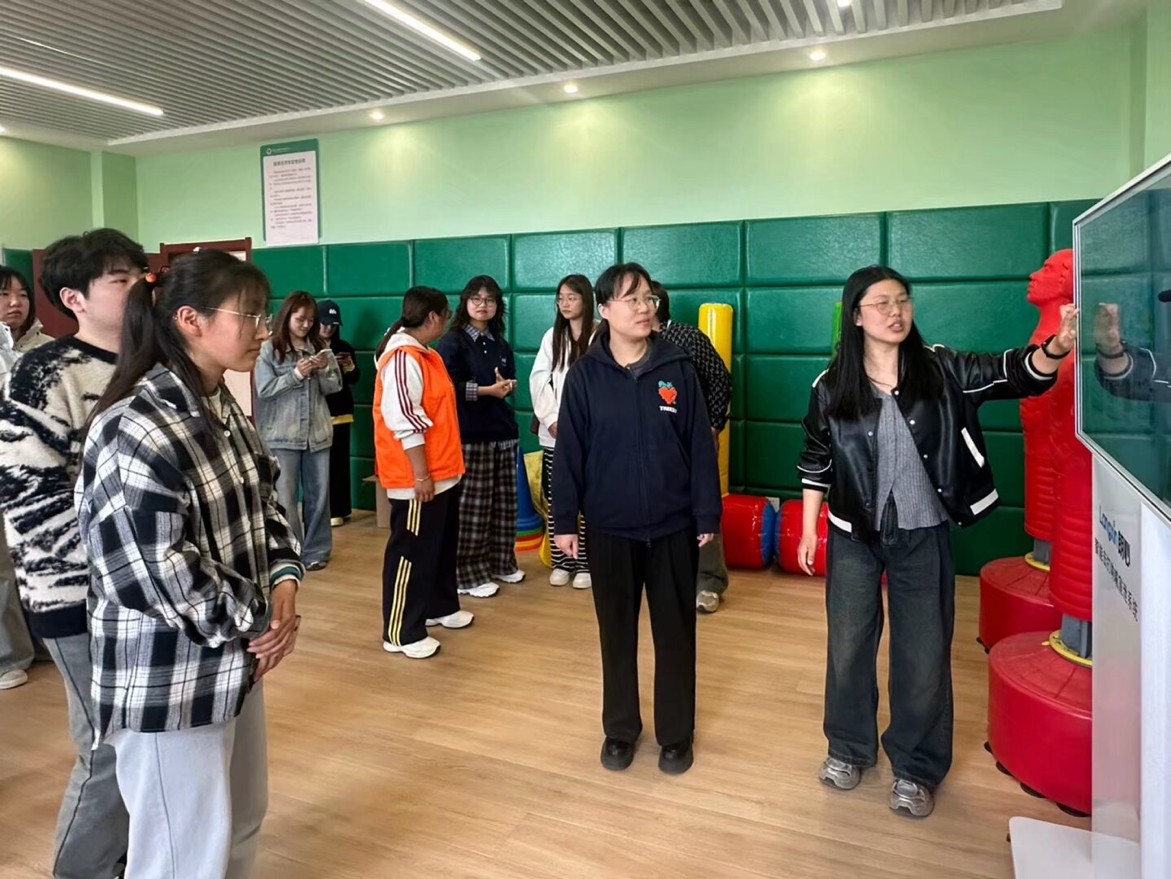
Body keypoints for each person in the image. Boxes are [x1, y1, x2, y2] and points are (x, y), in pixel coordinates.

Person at [797, 264, 1076, 818]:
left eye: (903, 300)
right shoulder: (830, 386)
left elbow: (1013, 373)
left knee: (923, 654)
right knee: (848, 648)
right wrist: (809, 527)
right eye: (881, 303)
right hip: (853, 536)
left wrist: (1057, 347)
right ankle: (848, 748)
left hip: (923, 535)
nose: (895, 311)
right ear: (856, 317)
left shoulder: (942, 368)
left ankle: (916, 768)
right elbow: (816, 458)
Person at [75, 249, 302, 878]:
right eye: (250, 315)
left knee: (241, 819)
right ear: (190, 320)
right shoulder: (135, 426)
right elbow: (154, 571)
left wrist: (285, 581)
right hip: (168, 675)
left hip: (234, 659)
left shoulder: (220, 404)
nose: (264, 330)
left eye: (264, 315)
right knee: (181, 854)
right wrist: (261, 619)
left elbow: (265, 500)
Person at [0, 228, 146, 878]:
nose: (139, 286)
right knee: (107, 745)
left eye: (140, 273)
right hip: (76, 595)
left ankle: (130, 859)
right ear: (74, 298)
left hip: (152, 591)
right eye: (121, 278)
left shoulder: (154, 362)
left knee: (147, 742)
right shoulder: (44, 371)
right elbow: (29, 498)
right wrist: (122, 569)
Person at [553, 262, 722, 776]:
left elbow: (700, 445)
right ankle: (620, 730)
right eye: (631, 299)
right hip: (610, 528)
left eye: (648, 298)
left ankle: (676, 734)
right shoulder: (585, 376)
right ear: (605, 310)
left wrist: (706, 511)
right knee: (616, 635)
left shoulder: (678, 368)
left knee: (676, 635)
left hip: (672, 526)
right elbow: (570, 453)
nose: (644, 307)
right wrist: (565, 521)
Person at [374, 287, 472, 659]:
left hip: (443, 471)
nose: (447, 323)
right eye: (446, 316)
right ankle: (401, 631)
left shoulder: (427, 354)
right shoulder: (402, 358)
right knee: (411, 552)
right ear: (432, 317)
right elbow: (404, 420)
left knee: (439, 547)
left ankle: (439, 606)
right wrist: (420, 475)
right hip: (416, 478)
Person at [436, 275, 522, 599]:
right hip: (471, 434)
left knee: (505, 505)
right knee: (474, 508)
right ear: (465, 302)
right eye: (476, 298)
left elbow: (508, 379)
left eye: (489, 299)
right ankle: (467, 574)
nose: (483, 305)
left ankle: (500, 562)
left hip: (503, 432)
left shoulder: (499, 341)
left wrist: (508, 386)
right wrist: (487, 390)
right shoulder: (453, 341)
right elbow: (448, 388)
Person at [650, 281, 733, 613]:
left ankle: (709, 581)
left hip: (691, 438)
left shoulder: (687, 338)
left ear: (656, 305)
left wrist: (713, 425)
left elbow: (720, 378)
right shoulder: (628, 344)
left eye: (643, 299)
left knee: (702, 505)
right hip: (652, 444)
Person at [255, 292, 343, 571]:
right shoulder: (269, 348)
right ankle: (291, 550)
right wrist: (295, 375)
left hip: (317, 434)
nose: (306, 325)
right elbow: (264, 389)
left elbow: (334, 387)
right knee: (286, 499)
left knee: (319, 497)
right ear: (287, 317)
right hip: (282, 435)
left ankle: (317, 551)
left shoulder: (319, 347)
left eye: (311, 320)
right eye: (300, 319)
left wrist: (324, 370)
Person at [0, 265, 53, 691]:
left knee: (40, 554)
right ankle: (9, 656)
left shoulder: (47, 348)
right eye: (4, 295)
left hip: (39, 473)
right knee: (2, 566)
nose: (15, 302)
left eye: (21, 293)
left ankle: (46, 642)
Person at [529, 273, 595, 589]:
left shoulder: (601, 334)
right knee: (558, 499)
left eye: (572, 297)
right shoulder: (552, 337)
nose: (565, 303)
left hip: (593, 435)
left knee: (591, 500)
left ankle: (587, 563)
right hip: (556, 433)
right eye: (561, 298)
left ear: (586, 299)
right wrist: (552, 420)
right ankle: (562, 561)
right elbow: (539, 380)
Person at [317, 299, 361, 527]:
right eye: (324, 323)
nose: (328, 328)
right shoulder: (308, 348)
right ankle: (324, 511)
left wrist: (349, 365)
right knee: (321, 466)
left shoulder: (344, 346)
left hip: (342, 412)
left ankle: (341, 509)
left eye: (332, 324)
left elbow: (354, 378)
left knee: (340, 464)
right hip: (318, 414)